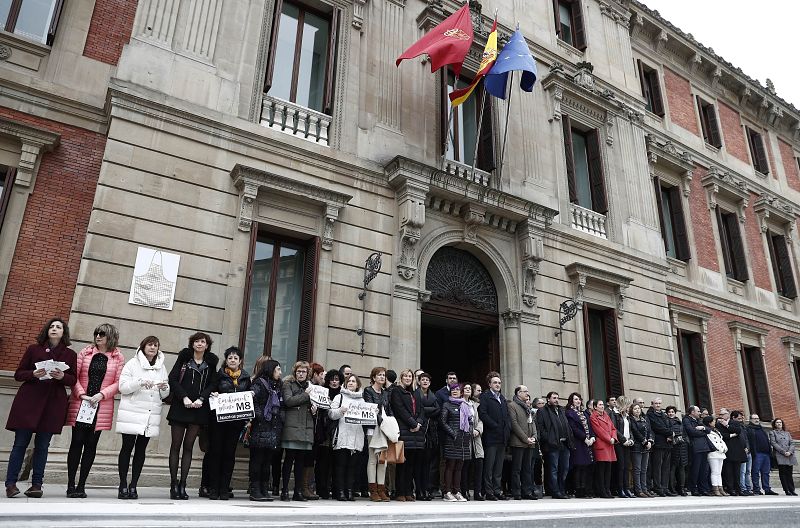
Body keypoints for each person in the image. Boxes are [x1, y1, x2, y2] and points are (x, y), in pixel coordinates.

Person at [5, 318, 77, 499]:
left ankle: (37, 485)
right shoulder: (33, 349)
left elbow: (73, 380)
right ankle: (11, 484)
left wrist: (62, 376)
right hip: (29, 401)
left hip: (52, 404)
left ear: (63, 333)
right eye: (52, 326)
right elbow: (18, 374)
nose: (54, 329)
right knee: (20, 444)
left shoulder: (69, 354)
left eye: (58, 327)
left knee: (43, 446)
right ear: (47, 330)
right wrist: (33, 374)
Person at [65, 323, 124, 498]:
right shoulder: (85, 352)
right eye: (96, 333)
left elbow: (119, 382)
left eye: (102, 334)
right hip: (82, 403)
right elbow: (73, 376)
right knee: (76, 442)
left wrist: (102, 395)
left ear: (110, 336)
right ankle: (70, 485)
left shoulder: (118, 357)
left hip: (101, 405)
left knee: (91, 444)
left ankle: (81, 485)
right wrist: (82, 395)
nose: (98, 336)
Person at [115, 336, 169, 499]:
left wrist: (165, 387)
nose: (153, 348)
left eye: (156, 345)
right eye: (150, 345)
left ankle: (133, 485)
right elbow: (122, 387)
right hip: (132, 411)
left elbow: (165, 394)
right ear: (143, 347)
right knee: (127, 448)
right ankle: (123, 484)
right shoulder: (132, 364)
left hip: (149, 414)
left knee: (141, 450)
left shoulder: (161, 367)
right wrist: (139, 382)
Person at [167, 331, 218, 500]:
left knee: (188, 446)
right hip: (180, 407)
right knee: (176, 445)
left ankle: (183, 484)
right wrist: (184, 397)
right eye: (196, 341)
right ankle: (174, 484)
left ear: (207, 345)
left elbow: (213, 383)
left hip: (199, 409)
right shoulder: (184, 358)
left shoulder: (211, 362)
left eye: (202, 341)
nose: (199, 344)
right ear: (192, 344)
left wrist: (202, 398)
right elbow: (172, 379)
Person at [206, 346, 251, 500]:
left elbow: (249, 398)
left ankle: (224, 489)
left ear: (240, 361)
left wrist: (250, 395)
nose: (232, 360)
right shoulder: (218, 376)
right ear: (226, 360)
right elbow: (210, 390)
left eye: (235, 358)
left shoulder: (245, 378)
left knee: (229, 455)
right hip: (218, 422)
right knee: (215, 453)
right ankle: (214, 488)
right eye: (230, 358)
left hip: (235, 423)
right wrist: (215, 393)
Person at [248, 357, 284, 502]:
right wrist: (260, 416)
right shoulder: (259, 383)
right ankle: (255, 489)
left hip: (273, 427)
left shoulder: (278, 385)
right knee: (258, 459)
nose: (280, 372)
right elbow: (252, 400)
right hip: (261, 426)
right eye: (278, 369)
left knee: (267, 461)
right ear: (271, 370)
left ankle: (264, 488)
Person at [281, 361, 317, 501]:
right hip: (292, 426)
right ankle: (284, 491)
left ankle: (298, 491)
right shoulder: (288, 385)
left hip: (306, 427)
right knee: (289, 459)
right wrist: (306, 395)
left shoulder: (311, 387)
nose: (301, 374)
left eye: (303, 372)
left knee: (301, 462)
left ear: (308, 374)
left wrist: (315, 410)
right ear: (295, 373)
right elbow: (288, 401)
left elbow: (315, 402)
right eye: (298, 371)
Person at [327, 374, 365, 501]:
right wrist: (340, 411)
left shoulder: (362, 400)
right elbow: (331, 413)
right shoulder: (340, 396)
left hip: (356, 436)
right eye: (349, 381)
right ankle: (340, 491)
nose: (351, 383)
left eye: (354, 381)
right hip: (342, 435)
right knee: (341, 465)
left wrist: (372, 414)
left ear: (357, 384)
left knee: (352, 466)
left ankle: (349, 490)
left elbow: (366, 418)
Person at [391, 368, 426, 502]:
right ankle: (400, 492)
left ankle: (408, 492)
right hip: (404, 430)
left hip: (416, 433)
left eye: (410, 376)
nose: (407, 378)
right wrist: (413, 424)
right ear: (401, 377)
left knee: (411, 464)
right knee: (402, 463)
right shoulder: (396, 391)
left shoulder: (416, 393)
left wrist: (419, 423)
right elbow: (399, 410)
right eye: (405, 376)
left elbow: (422, 410)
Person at [479, 371, 511, 501]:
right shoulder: (485, 397)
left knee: (499, 467)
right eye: (495, 383)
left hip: (502, 438)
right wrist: (495, 426)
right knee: (489, 466)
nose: (498, 385)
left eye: (499, 383)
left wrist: (507, 428)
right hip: (491, 437)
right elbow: (483, 414)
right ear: (489, 384)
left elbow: (507, 416)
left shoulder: (502, 398)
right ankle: (489, 491)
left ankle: (498, 490)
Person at [536, 391, 572, 499]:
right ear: (548, 399)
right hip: (552, 445)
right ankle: (555, 491)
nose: (556, 400)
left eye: (557, 398)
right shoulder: (542, 411)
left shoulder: (561, 410)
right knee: (553, 469)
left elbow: (566, 425)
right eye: (554, 398)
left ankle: (562, 489)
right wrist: (549, 439)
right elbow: (541, 429)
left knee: (564, 468)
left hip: (564, 443)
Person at [440, 383, 472, 502]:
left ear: (461, 392)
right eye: (453, 389)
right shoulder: (447, 404)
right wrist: (453, 434)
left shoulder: (465, 405)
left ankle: (457, 491)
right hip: (452, 439)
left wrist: (469, 431)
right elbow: (443, 422)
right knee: (450, 466)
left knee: (460, 466)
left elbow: (470, 420)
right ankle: (447, 492)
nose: (455, 391)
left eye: (458, 389)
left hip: (464, 440)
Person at [363, 367, 389, 502]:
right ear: (373, 377)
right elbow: (371, 408)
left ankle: (381, 489)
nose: (382, 377)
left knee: (383, 461)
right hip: (373, 428)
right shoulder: (368, 391)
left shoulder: (385, 393)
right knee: (373, 459)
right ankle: (372, 490)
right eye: (379, 375)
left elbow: (388, 410)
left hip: (384, 429)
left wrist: (389, 424)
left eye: (383, 375)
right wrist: (382, 421)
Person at [314, 369, 341, 500]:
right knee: (323, 462)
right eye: (332, 379)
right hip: (324, 432)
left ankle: (335, 488)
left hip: (338, 432)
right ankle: (321, 488)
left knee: (336, 463)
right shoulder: (323, 392)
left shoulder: (343, 394)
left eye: (337, 379)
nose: (334, 382)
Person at [508, 385, 537, 500]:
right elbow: (514, 424)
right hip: (518, 442)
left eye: (527, 391)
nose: (527, 393)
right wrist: (526, 438)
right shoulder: (512, 405)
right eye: (525, 391)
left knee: (527, 469)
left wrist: (534, 436)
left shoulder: (527, 407)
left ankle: (527, 491)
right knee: (517, 469)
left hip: (530, 442)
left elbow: (532, 423)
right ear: (518, 393)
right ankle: (517, 492)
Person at [416, 372, 440, 501]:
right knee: (419, 464)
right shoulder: (415, 394)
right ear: (419, 382)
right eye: (423, 380)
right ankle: (419, 490)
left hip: (431, 433)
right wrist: (427, 410)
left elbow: (438, 410)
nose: (425, 382)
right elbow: (415, 410)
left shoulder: (433, 396)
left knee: (428, 464)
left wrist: (424, 410)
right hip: (418, 431)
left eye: (427, 380)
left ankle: (427, 489)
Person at [565, 392, 594, 498]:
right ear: (571, 401)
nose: (578, 401)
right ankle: (578, 490)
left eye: (579, 399)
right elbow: (573, 428)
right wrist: (584, 438)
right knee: (578, 466)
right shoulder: (569, 413)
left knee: (585, 466)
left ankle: (584, 489)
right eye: (576, 399)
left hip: (586, 442)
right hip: (578, 442)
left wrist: (591, 437)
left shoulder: (583, 413)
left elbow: (589, 426)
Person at [589, 400, 617, 499]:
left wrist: (614, 437)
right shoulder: (593, 416)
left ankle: (607, 490)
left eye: (602, 405)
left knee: (608, 469)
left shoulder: (606, 415)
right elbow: (598, 430)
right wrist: (609, 439)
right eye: (600, 405)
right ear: (595, 407)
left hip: (609, 445)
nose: (602, 406)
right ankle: (602, 491)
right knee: (601, 470)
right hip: (602, 444)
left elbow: (613, 428)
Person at [716, 408, 746, 495]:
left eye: (722, 414)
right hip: (727, 449)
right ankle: (730, 489)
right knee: (728, 471)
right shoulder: (718, 424)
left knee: (737, 471)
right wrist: (731, 435)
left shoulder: (735, 422)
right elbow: (722, 435)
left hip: (736, 450)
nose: (720, 416)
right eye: (720, 415)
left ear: (728, 414)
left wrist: (727, 426)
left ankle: (738, 489)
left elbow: (738, 431)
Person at [747, 414, 777, 495]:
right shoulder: (749, 429)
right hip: (757, 454)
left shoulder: (761, 429)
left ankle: (767, 489)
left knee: (766, 472)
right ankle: (756, 489)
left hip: (766, 454)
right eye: (754, 419)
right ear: (750, 420)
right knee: (756, 472)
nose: (756, 420)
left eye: (757, 418)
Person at [646, 398, 671, 496]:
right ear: (652, 404)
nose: (658, 405)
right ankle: (658, 487)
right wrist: (669, 433)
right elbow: (657, 427)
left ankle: (665, 487)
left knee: (666, 467)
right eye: (656, 403)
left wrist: (670, 435)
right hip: (658, 444)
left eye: (659, 403)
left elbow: (668, 425)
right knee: (657, 467)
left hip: (667, 443)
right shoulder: (650, 415)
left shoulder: (664, 415)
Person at [629, 402, 653, 497]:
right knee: (637, 469)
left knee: (644, 469)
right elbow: (635, 431)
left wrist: (650, 441)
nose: (637, 410)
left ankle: (644, 489)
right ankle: (638, 490)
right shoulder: (631, 419)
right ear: (632, 410)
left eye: (638, 408)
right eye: (635, 409)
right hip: (637, 447)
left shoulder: (644, 419)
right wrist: (644, 441)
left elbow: (649, 430)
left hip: (646, 447)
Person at [611, 396, 634, 498]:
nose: (629, 408)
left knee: (626, 467)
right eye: (627, 405)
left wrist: (631, 439)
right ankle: (620, 489)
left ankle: (626, 488)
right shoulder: (614, 414)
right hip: (619, 444)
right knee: (621, 467)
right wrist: (624, 440)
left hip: (627, 444)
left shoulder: (626, 416)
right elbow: (614, 429)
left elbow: (630, 429)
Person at [464, 383, 484, 500]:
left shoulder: (475, 405)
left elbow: (480, 420)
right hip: (465, 438)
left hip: (476, 439)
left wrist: (478, 430)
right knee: (466, 467)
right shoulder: (460, 403)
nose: (467, 390)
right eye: (465, 389)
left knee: (479, 465)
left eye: (469, 389)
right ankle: (465, 491)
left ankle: (478, 492)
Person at [768, 418, 797, 496]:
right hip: (780, 455)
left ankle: (792, 490)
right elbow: (773, 443)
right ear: (774, 424)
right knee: (783, 473)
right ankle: (787, 490)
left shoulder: (787, 433)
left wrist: (789, 452)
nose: (779, 424)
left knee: (789, 473)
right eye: (777, 422)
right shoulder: (772, 432)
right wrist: (783, 452)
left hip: (789, 455)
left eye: (780, 422)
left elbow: (792, 443)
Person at [666, 405, 687, 496]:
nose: (671, 413)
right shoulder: (666, 421)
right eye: (669, 412)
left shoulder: (680, 422)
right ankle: (672, 488)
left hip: (681, 447)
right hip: (672, 447)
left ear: (675, 413)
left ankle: (681, 488)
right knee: (672, 468)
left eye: (672, 412)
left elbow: (685, 434)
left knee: (681, 468)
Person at [705, 415, 728, 496]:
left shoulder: (716, 430)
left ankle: (720, 488)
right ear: (709, 422)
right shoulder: (707, 431)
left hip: (720, 453)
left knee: (719, 472)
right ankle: (715, 488)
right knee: (714, 472)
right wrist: (718, 448)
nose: (715, 422)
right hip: (713, 453)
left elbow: (721, 440)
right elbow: (712, 442)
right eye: (713, 421)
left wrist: (724, 448)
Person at [732, 410, 753, 495]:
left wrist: (748, 448)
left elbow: (746, 439)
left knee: (748, 471)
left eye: (742, 418)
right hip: (741, 452)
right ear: (734, 418)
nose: (741, 419)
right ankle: (743, 488)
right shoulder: (735, 427)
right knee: (742, 471)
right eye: (739, 418)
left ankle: (748, 488)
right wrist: (743, 448)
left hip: (748, 451)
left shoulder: (744, 427)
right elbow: (738, 440)